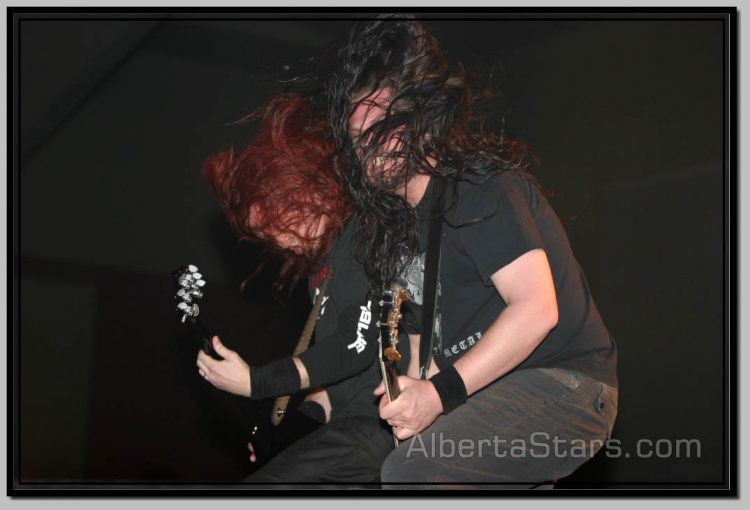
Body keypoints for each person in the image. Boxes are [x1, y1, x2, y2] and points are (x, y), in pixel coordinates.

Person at [318, 15, 619, 488]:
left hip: (567, 384)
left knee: (410, 473)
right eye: (357, 139)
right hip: (496, 396)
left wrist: (436, 398)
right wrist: (411, 402)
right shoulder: (397, 236)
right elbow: (422, 355)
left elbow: (538, 310)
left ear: (418, 120)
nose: (368, 147)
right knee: (402, 467)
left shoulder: (476, 186)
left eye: (379, 124)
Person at [198, 93, 398, 484]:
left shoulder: (361, 237)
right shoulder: (319, 272)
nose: (280, 241)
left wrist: (258, 382)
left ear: (305, 187)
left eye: (279, 220)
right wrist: (291, 434)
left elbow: (353, 347)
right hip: (354, 426)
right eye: (266, 236)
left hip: (382, 428)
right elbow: (339, 385)